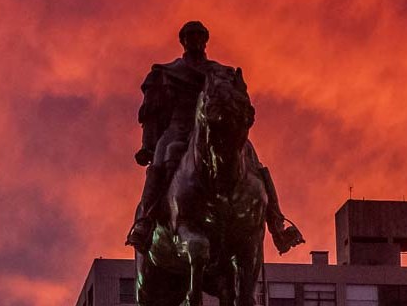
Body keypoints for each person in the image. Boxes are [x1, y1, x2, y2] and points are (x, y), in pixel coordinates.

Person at [126, 21, 304, 254]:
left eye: (200, 35)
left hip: (217, 129)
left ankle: (277, 225)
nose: (195, 39)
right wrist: (148, 145)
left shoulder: (221, 72)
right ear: (183, 40)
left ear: (205, 39)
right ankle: (145, 221)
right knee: (162, 157)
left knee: (254, 162)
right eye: (190, 35)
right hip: (179, 126)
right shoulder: (167, 72)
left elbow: (240, 103)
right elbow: (151, 111)